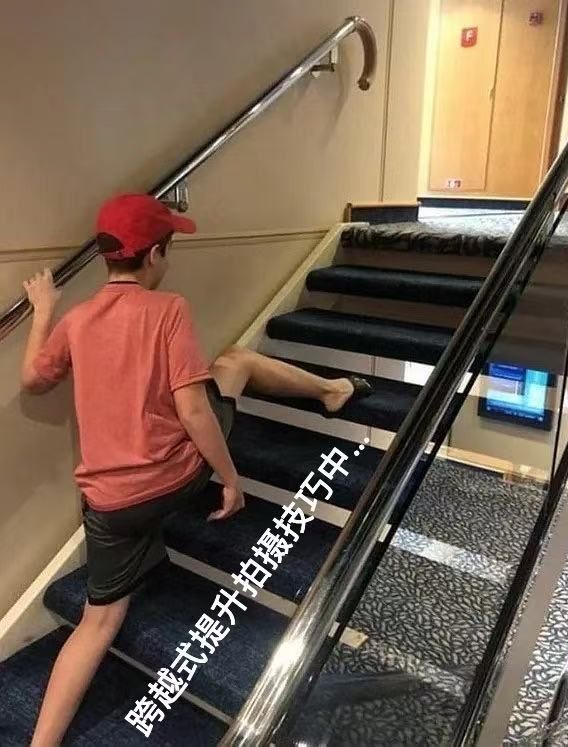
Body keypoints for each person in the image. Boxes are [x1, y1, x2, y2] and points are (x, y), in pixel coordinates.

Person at [21, 193, 372, 746]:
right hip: (173, 479)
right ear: (154, 254)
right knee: (235, 360)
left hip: (108, 502)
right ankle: (333, 390)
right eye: (168, 248)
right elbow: (193, 410)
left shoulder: (78, 320)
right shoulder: (168, 309)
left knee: (98, 622)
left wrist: (44, 308)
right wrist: (229, 478)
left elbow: (34, 379)